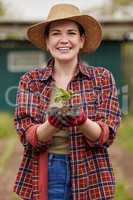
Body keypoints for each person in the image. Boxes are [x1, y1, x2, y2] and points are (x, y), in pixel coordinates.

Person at [13, 3, 121, 200]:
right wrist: (52, 124)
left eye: (71, 33)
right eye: (55, 33)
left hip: (91, 173)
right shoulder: (31, 80)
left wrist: (82, 120)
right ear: (47, 41)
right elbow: (27, 136)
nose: (63, 40)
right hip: (47, 171)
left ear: (81, 40)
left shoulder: (102, 78)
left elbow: (106, 136)